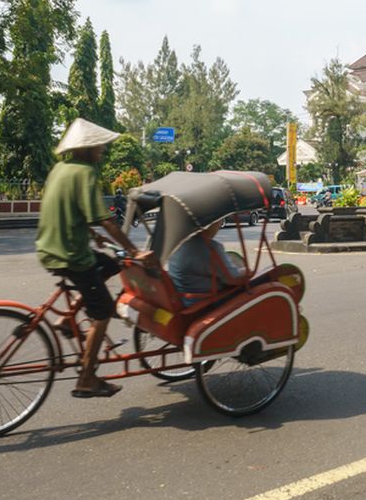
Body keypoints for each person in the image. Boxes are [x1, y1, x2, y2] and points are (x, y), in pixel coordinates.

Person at [36, 118, 144, 398]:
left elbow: (70, 209)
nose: (103, 150)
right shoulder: (86, 172)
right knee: (103, 311)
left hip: (50, 248)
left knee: (109, 263)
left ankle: (66, 320)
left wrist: (93, 236)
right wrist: (135, 251)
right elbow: (107, 221)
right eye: (99, 146)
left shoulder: (59, 169)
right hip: (71, 254)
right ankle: (87, 378)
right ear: (87, 148)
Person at [165, 219, 246, 305]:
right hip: (205, 302)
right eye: (219, 221)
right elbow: (233, 278)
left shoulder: (176, 245)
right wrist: (246, 270)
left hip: (185, 299)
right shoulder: (209, 247)